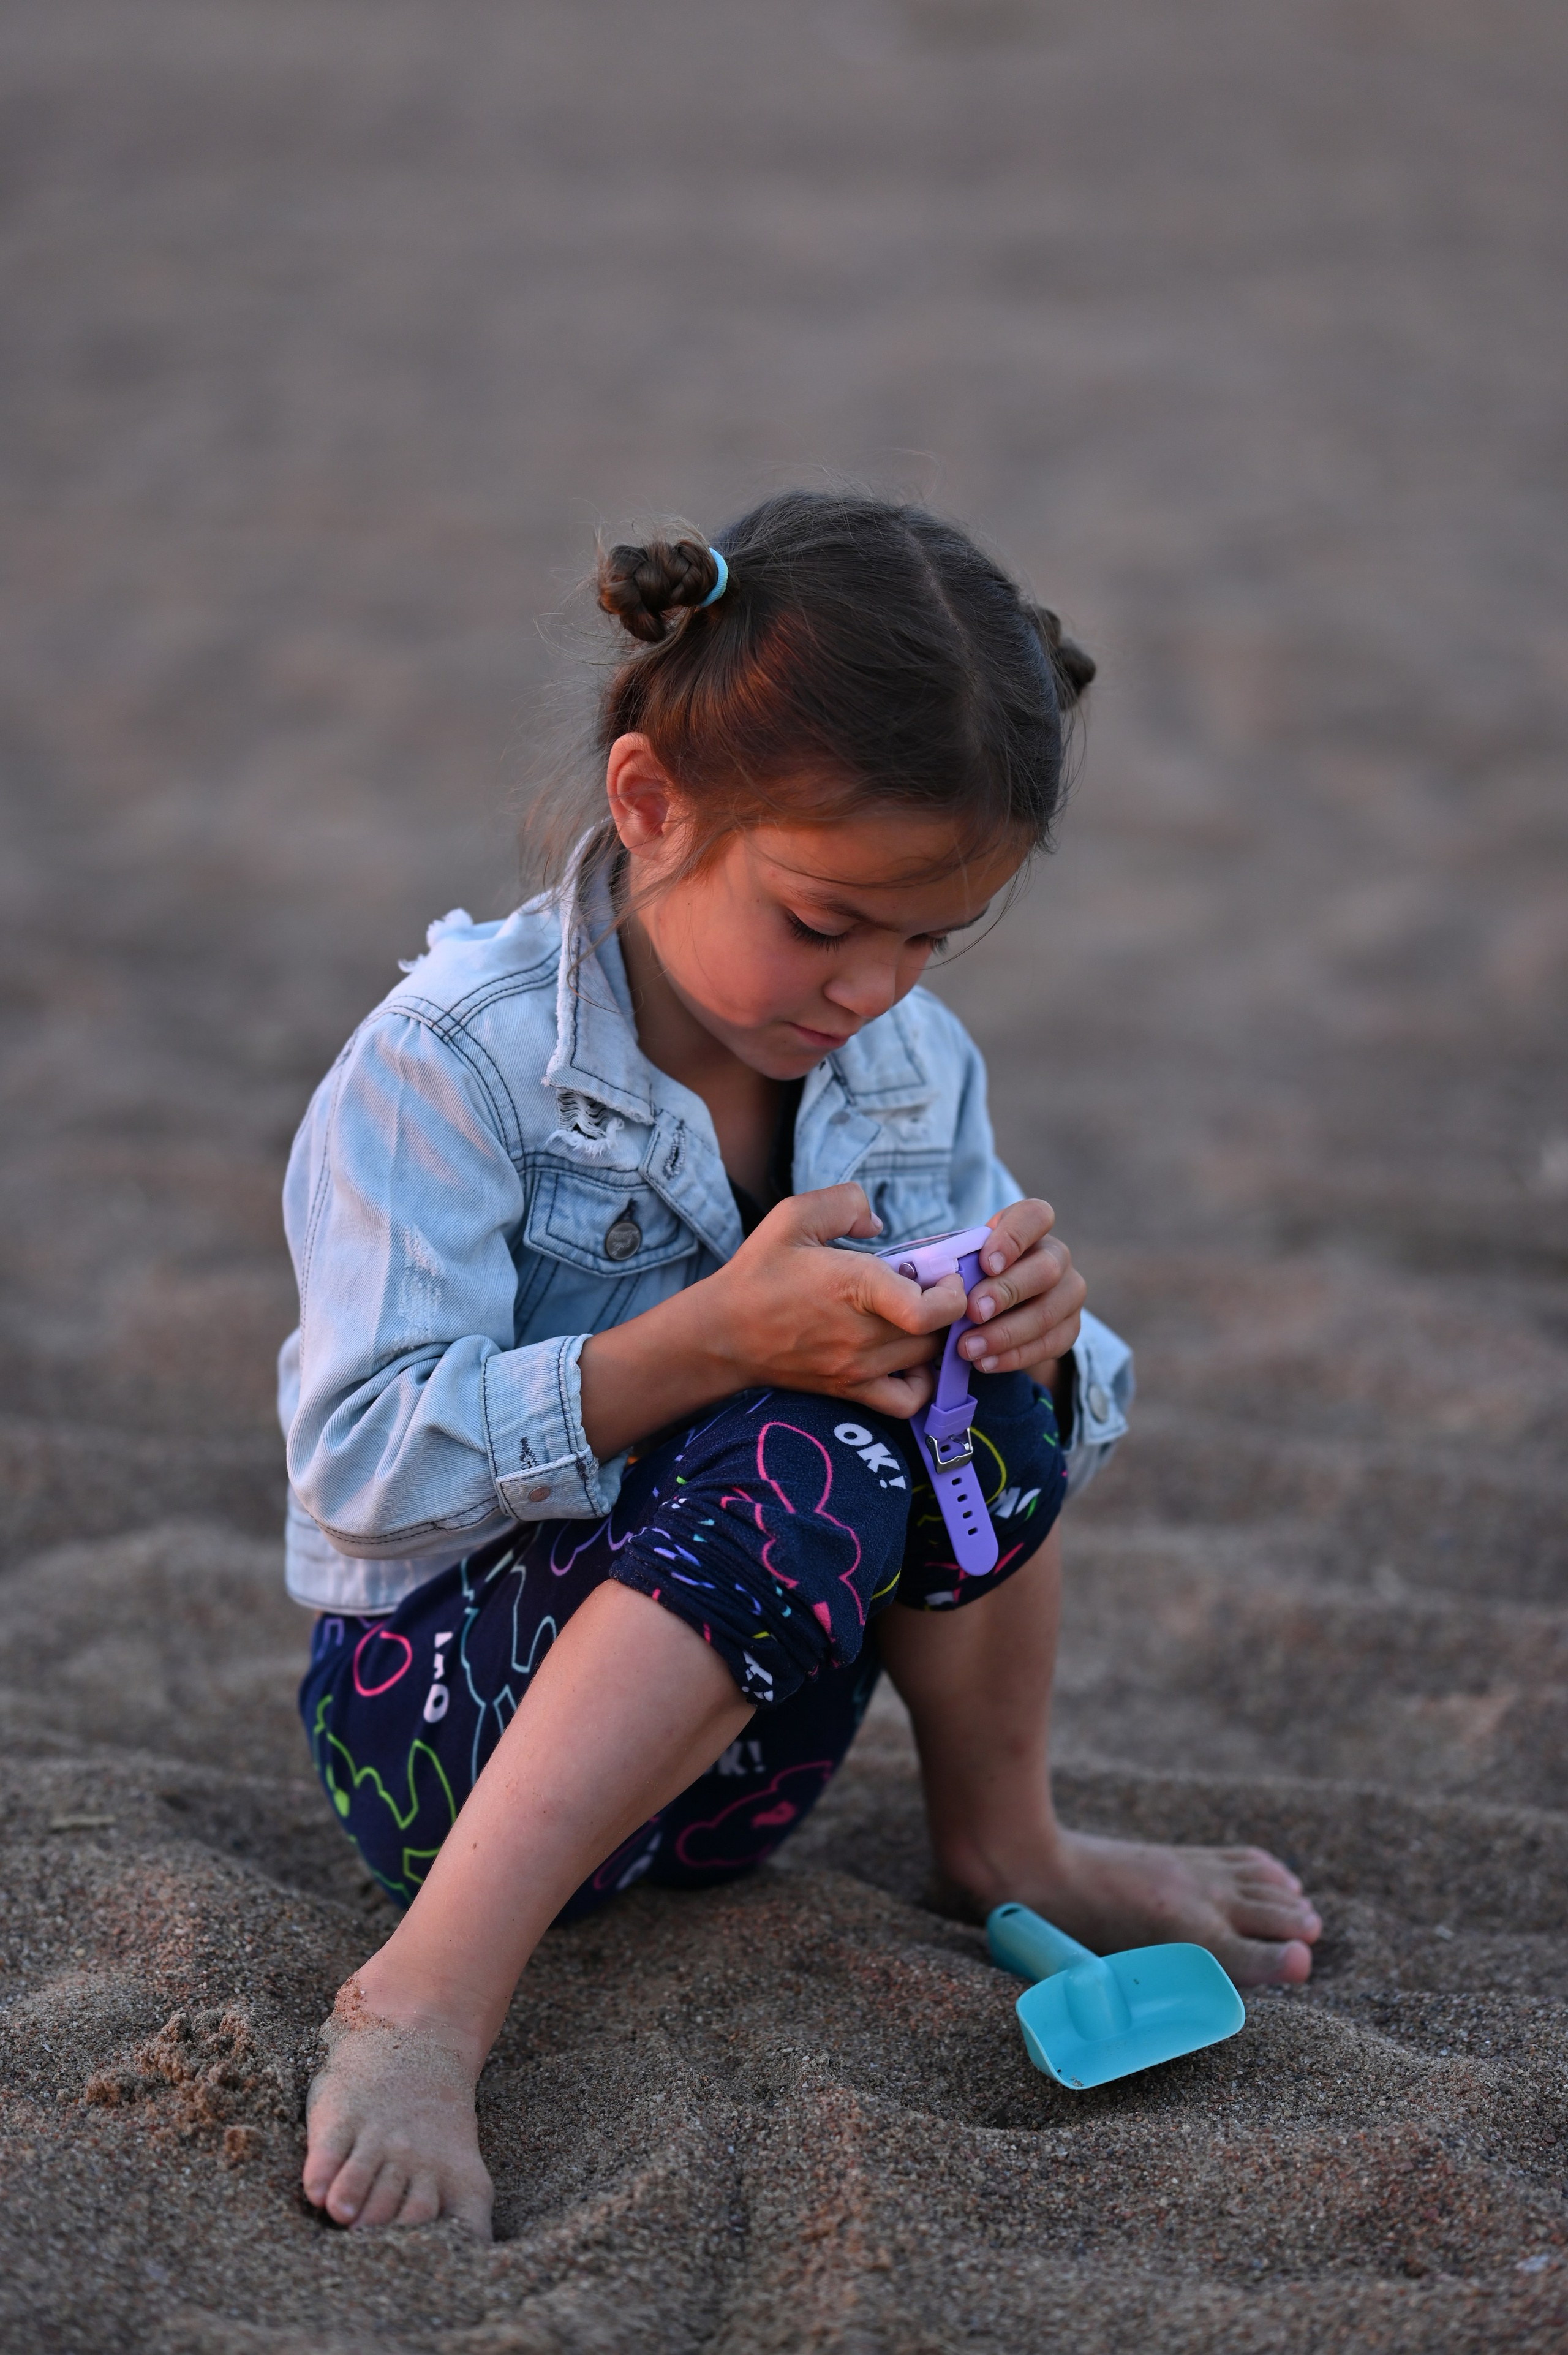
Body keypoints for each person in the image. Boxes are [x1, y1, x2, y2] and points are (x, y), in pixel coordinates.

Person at [281, 490, 1321, 2238]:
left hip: (751, 1754)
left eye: (933, 936)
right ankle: (424, 1995)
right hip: (449, 1735)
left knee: (965, 1378)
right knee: (811, 1442)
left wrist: (1044, 1337)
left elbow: (996, 1430)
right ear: (651, 803)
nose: (875, 986)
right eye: (830, 920)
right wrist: (696, 1347)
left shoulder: (908, 1065)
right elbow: (360, 1470)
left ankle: (1008, 1841)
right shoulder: (449, 1068)